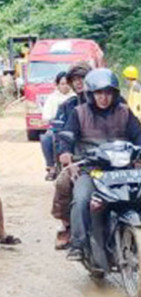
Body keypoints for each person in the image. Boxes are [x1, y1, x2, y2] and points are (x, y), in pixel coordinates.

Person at [56, 68, 141, 261]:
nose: (103, 97)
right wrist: (65, 153)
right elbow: (67, 136)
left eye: (108, 93)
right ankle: (78, 243)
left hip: (123, 169)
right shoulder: (78, 113)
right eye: (99, 93)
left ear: (114, 93)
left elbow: (138, 134)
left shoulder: (124, 112)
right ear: (91, 94)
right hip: (92, 170)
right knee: (81, 198)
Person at [51, 62, 91, 248]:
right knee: (63, 183)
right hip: (80, 159)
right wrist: (66, 155)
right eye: (74, 79)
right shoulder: (69, 107)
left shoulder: (117, 104)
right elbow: (61, 136)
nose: (79, 83)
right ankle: (67, 227)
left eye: (82, 78)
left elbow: (133, 130)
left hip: (112, 159)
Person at [40, 72, 75, 180]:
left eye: (67, 83)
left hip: (72, 127)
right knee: (46, 138)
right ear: (58, 85)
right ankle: (51, 167)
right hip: (57, 127)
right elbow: (46, 116)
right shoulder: (52, 98)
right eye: (62, 84)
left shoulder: (75, 97)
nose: (65, 86)